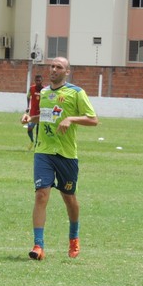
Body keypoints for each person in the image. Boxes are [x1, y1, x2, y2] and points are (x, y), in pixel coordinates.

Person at [20, 57, 99, 261]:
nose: (54, 69)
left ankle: (73, 237)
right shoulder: (44, 92)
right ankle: (38, 246)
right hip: (44, 151)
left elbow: (93, 119)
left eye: (59, 67)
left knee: (69, 198)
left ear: (67, 72)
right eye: (52, 66)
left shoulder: (76, 92)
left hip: (66, 154)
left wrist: (71, 118)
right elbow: (45, 116)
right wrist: (30, 118)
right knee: (41, 195)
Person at [22, 73, 43, 149]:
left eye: (39, 80)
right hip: (33, 112)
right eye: (36, 80)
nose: (38, 82)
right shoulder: (31, 88)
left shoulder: (44, 90)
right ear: (35, 81)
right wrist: (28, 106)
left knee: (39, 130)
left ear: (42, 81)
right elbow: (28, 97)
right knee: (29, 128)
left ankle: (37, 145)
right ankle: (32, 140)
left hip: (41, 113)